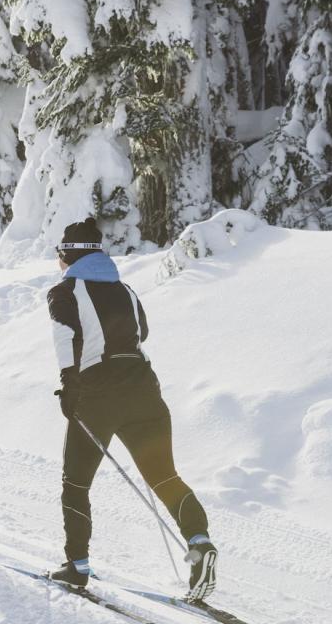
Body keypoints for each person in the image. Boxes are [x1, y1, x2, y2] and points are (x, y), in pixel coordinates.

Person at [45, 218, 218, 600]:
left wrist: (70, 386)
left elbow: (65, 337)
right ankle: (200, 542)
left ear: (69, 257)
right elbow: (142, 332)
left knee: (75, 483)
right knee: (165, 477)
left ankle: (77, 567)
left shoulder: (65, 291)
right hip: (144, 390)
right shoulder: (126, 290)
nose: (58, 263)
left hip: (98, 394)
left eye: (60, 255)